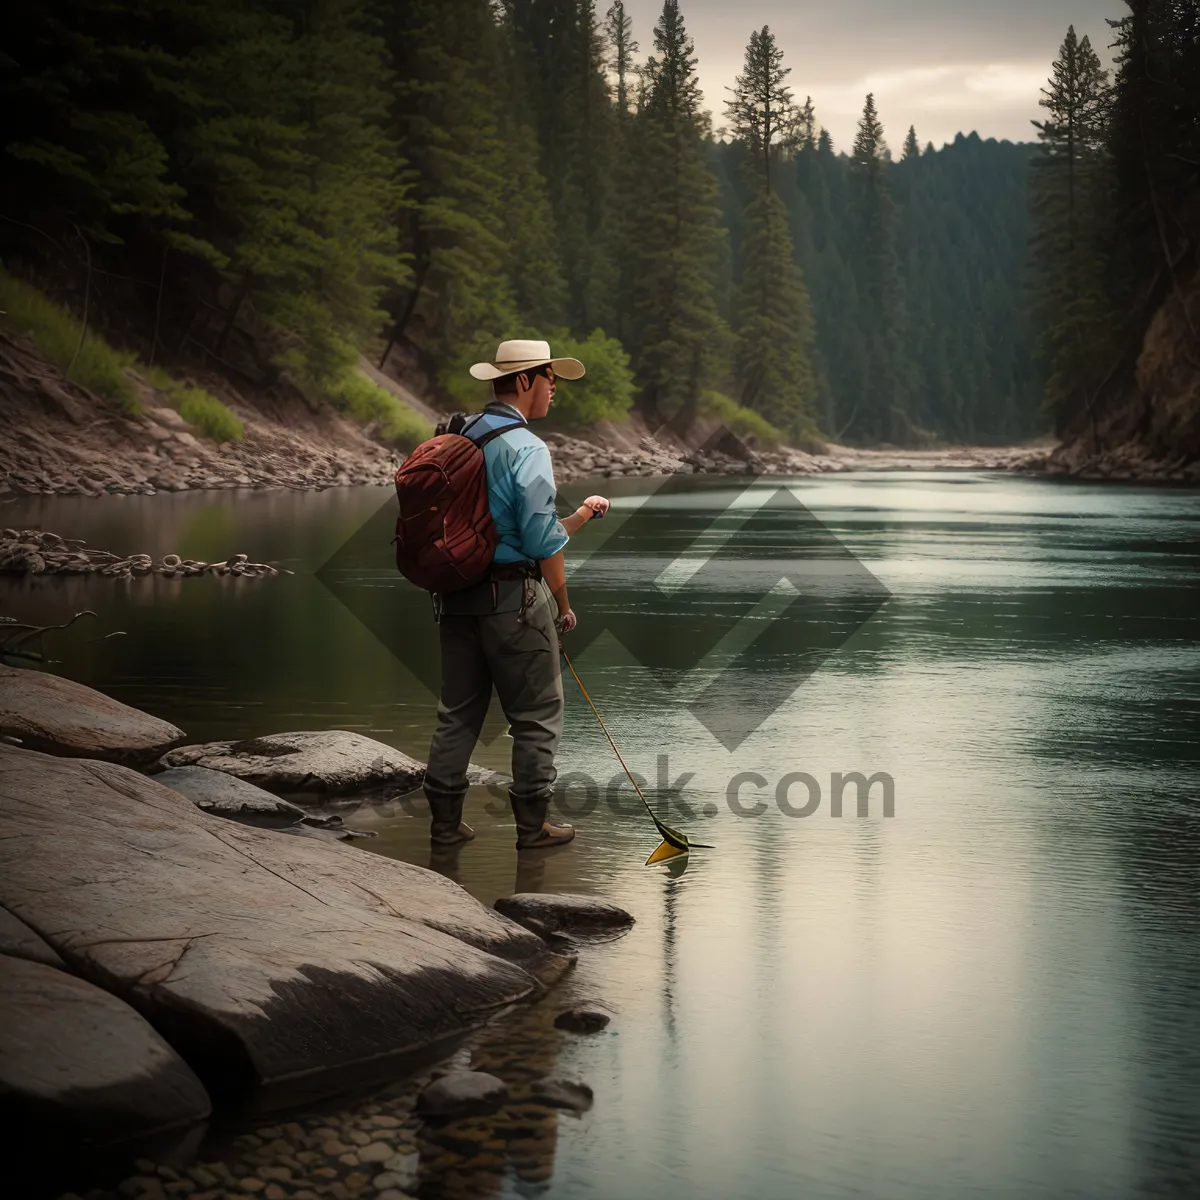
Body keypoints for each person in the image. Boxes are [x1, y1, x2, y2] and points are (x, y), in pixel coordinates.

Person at [422, 339, 610, 851]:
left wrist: (578, 517)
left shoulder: (459, 436)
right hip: (514, 602)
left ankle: (443, 827)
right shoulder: (526, 448)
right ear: (526, 381)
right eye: (551, 380)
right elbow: (540, 540)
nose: (555, 391)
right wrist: (565, 607)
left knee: (457, 713)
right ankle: (532, 830)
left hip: (454, 596)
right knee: (537, 717)